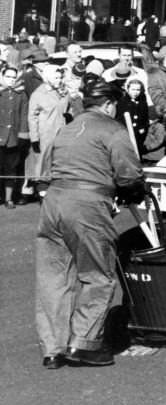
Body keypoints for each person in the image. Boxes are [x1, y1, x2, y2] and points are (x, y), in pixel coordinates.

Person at [35, 80, 146, 368]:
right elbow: (129, 174)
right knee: (98, 274)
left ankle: (53, 349)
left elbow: (44, 171)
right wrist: (135, 189)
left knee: (54, 278)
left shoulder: (67, 128)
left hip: (53, 203)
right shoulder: (112, 129)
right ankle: (84, 343)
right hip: (87, 205)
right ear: (108, 105)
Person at [26, 64, 70, 198]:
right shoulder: (38, 94)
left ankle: (56, 189)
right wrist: (34, 138)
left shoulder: (62, 91)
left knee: (58, 161)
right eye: (56, 77)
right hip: (45, 133)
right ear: (48, 77)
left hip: (61, 132)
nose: (59, 80)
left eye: (60, 77)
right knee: (43, 163)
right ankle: (42, 190)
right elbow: (32, 117)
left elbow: (66, 110)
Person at [0, 64, 29, 208]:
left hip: (13, 138)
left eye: (13, 77)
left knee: (11, 168)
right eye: (7, 77)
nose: (11, 80)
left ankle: (8, 198)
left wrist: (22, 135)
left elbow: (24, 115)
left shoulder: (21, 94)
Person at [116, 78, 149, 155]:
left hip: (139, 135)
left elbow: (145, 118)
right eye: (133, 89)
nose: (135, 92)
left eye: (138, 90)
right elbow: (119, 119)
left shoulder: (143, 103)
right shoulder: (122, 102)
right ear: (127, 90)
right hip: (126, 134)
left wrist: (143, 127)